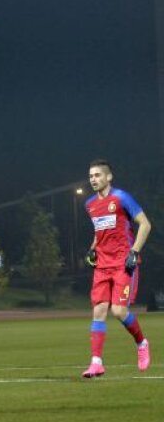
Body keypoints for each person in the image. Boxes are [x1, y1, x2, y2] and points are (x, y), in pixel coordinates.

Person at [80, 158, 151, 378]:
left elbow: (145, 224)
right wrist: (93, 249)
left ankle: (141, 343)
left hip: (122, 262)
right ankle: (96, 363)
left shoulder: (121, 198)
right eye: (91, 176)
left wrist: (135, 251)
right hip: (102, 265)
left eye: (98, 175)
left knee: (118, 311)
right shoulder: (90, 204)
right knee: (99, 311)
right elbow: (100, 231)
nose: (93, 179)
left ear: (108, 177)